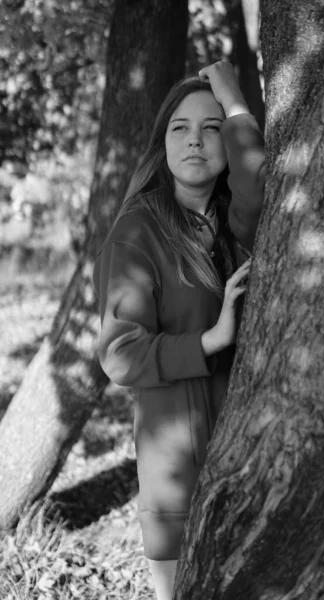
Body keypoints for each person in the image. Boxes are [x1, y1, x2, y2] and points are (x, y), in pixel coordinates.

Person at [93, 60, 265, 600]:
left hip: (246, 458)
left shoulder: (229, 219)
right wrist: (210, 340)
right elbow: (120, 353)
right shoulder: (137, 230)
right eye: (180, 128)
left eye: (211, 129)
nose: (195, 141)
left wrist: (236, 101)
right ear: (161, 143)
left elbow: (261, 185)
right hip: (177, 472)